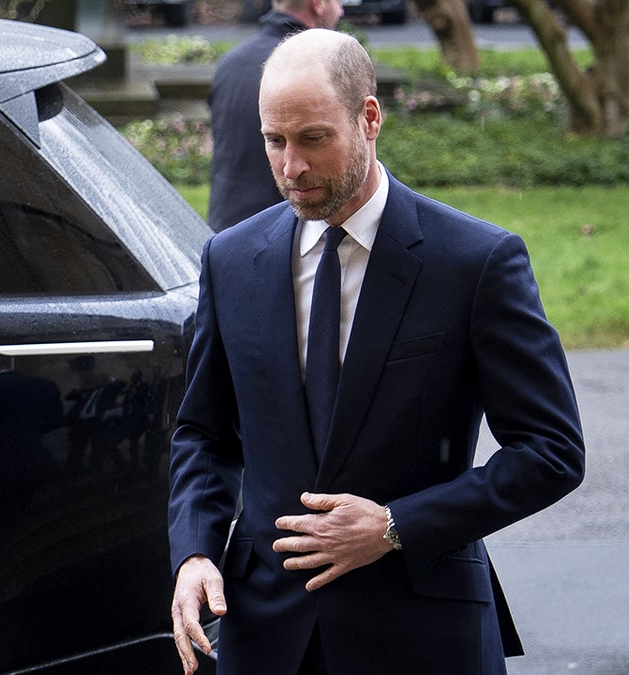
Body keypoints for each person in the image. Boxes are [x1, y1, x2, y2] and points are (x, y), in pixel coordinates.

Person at [168, 29, 584, 675]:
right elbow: (204, 433)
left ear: (369, 118)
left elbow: (551, 452)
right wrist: (194, 551)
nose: (291, 167)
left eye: (312, 139)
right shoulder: (231, 258)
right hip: (266, 631)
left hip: (422, 629)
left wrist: (395, 525)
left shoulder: (475, 261)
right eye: (274, 141)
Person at [206, 0, 342, 233]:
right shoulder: (316, 70)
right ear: (318, 4)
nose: (341, 10)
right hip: (281, 239)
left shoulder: (231, 64)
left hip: (224, 230)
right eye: (337, 1)